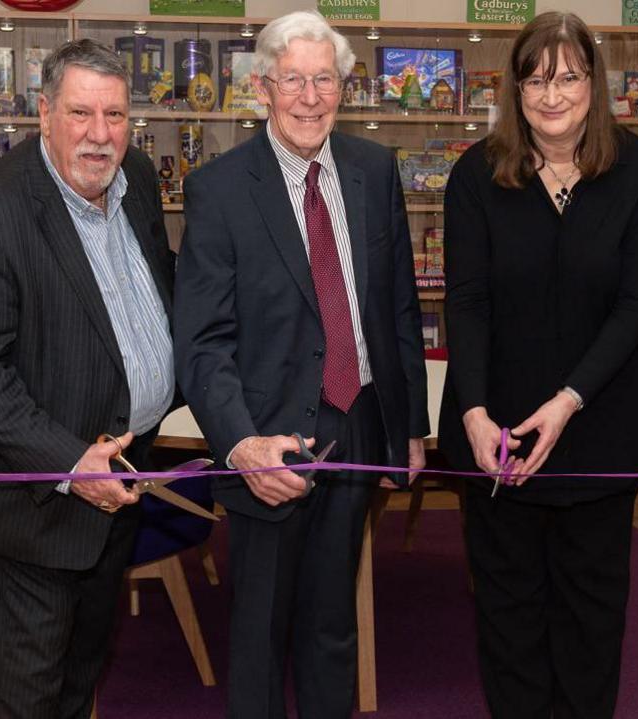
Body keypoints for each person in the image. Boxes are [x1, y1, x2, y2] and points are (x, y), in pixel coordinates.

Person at [173, 10, 429, 718]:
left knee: (333, 629)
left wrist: (409, 427)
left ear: (344, 87)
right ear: (263, 89)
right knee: (257, 639)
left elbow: (398, 304)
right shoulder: (219, 190)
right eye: (295, 81)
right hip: (265, 447)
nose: (312, 97)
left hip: (357, 431)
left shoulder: (375, 170)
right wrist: (241, 443)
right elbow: (201, 342)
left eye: (326, 80)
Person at [437, 11, 638, 719]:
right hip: (499, 434)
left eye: (567, 77)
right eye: (536, 78)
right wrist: (474, 413)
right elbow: (468, 301)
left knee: (590, 614)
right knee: (507, 612)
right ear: (514, 87)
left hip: (602, 427)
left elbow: (637, 306)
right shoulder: (476, 175)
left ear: (594, 84)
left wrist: (569, 398)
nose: (551, 94)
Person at [0, 39, 175, 719]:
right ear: (44, 114)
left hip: (122, 479)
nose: (101, 136)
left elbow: (154, 292)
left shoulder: (136, 179)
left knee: (83, 674)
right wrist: (72, 462)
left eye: (116, 115)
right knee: (35, 695)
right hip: (37, 504)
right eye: (80, 114)